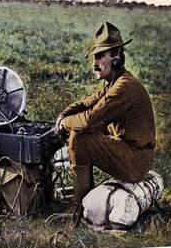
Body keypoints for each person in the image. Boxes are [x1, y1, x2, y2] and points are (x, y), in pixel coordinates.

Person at [54, 22, 156, 215]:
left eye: (100, 56)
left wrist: (64, 124)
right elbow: (85, 103)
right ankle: (84, 197)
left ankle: (77, 205)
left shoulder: (124, 87)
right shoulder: (114, 83)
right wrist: (63, 115)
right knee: (82, 129)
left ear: (116, 56)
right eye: (95, 57)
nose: (95, 64)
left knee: (81, 134)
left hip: (135, 162)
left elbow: (89, 119)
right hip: (128, 153)